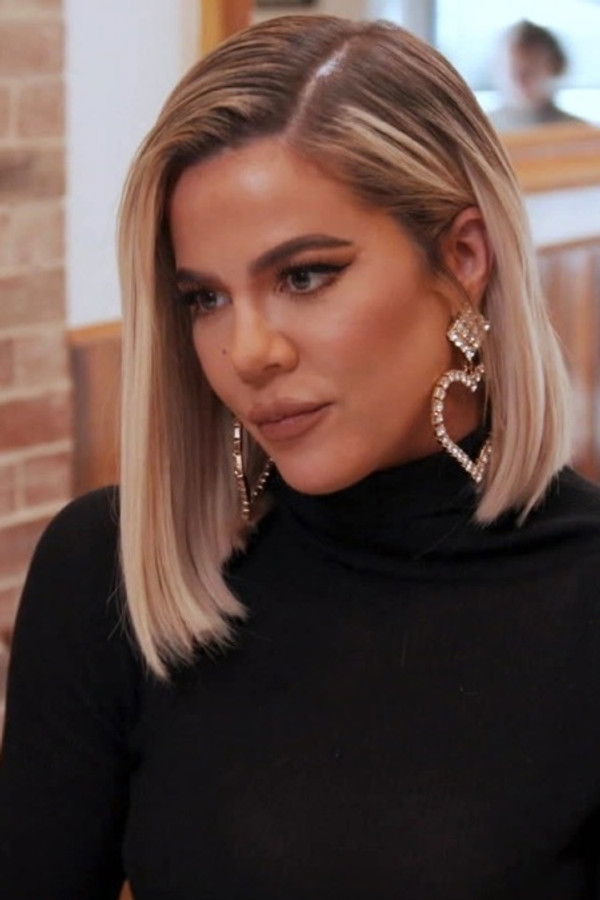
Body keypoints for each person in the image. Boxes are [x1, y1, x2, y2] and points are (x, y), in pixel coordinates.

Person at [1, 14, 600, 899]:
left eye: (305, 275)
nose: (247, 353)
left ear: (463, 256)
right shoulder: (116, 570)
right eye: (204, 298)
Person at [490, 19, 584, 132]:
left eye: (530, 70)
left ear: (556, 67)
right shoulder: (480, 133)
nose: (520, 80)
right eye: (512, 69)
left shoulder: (583, 134)